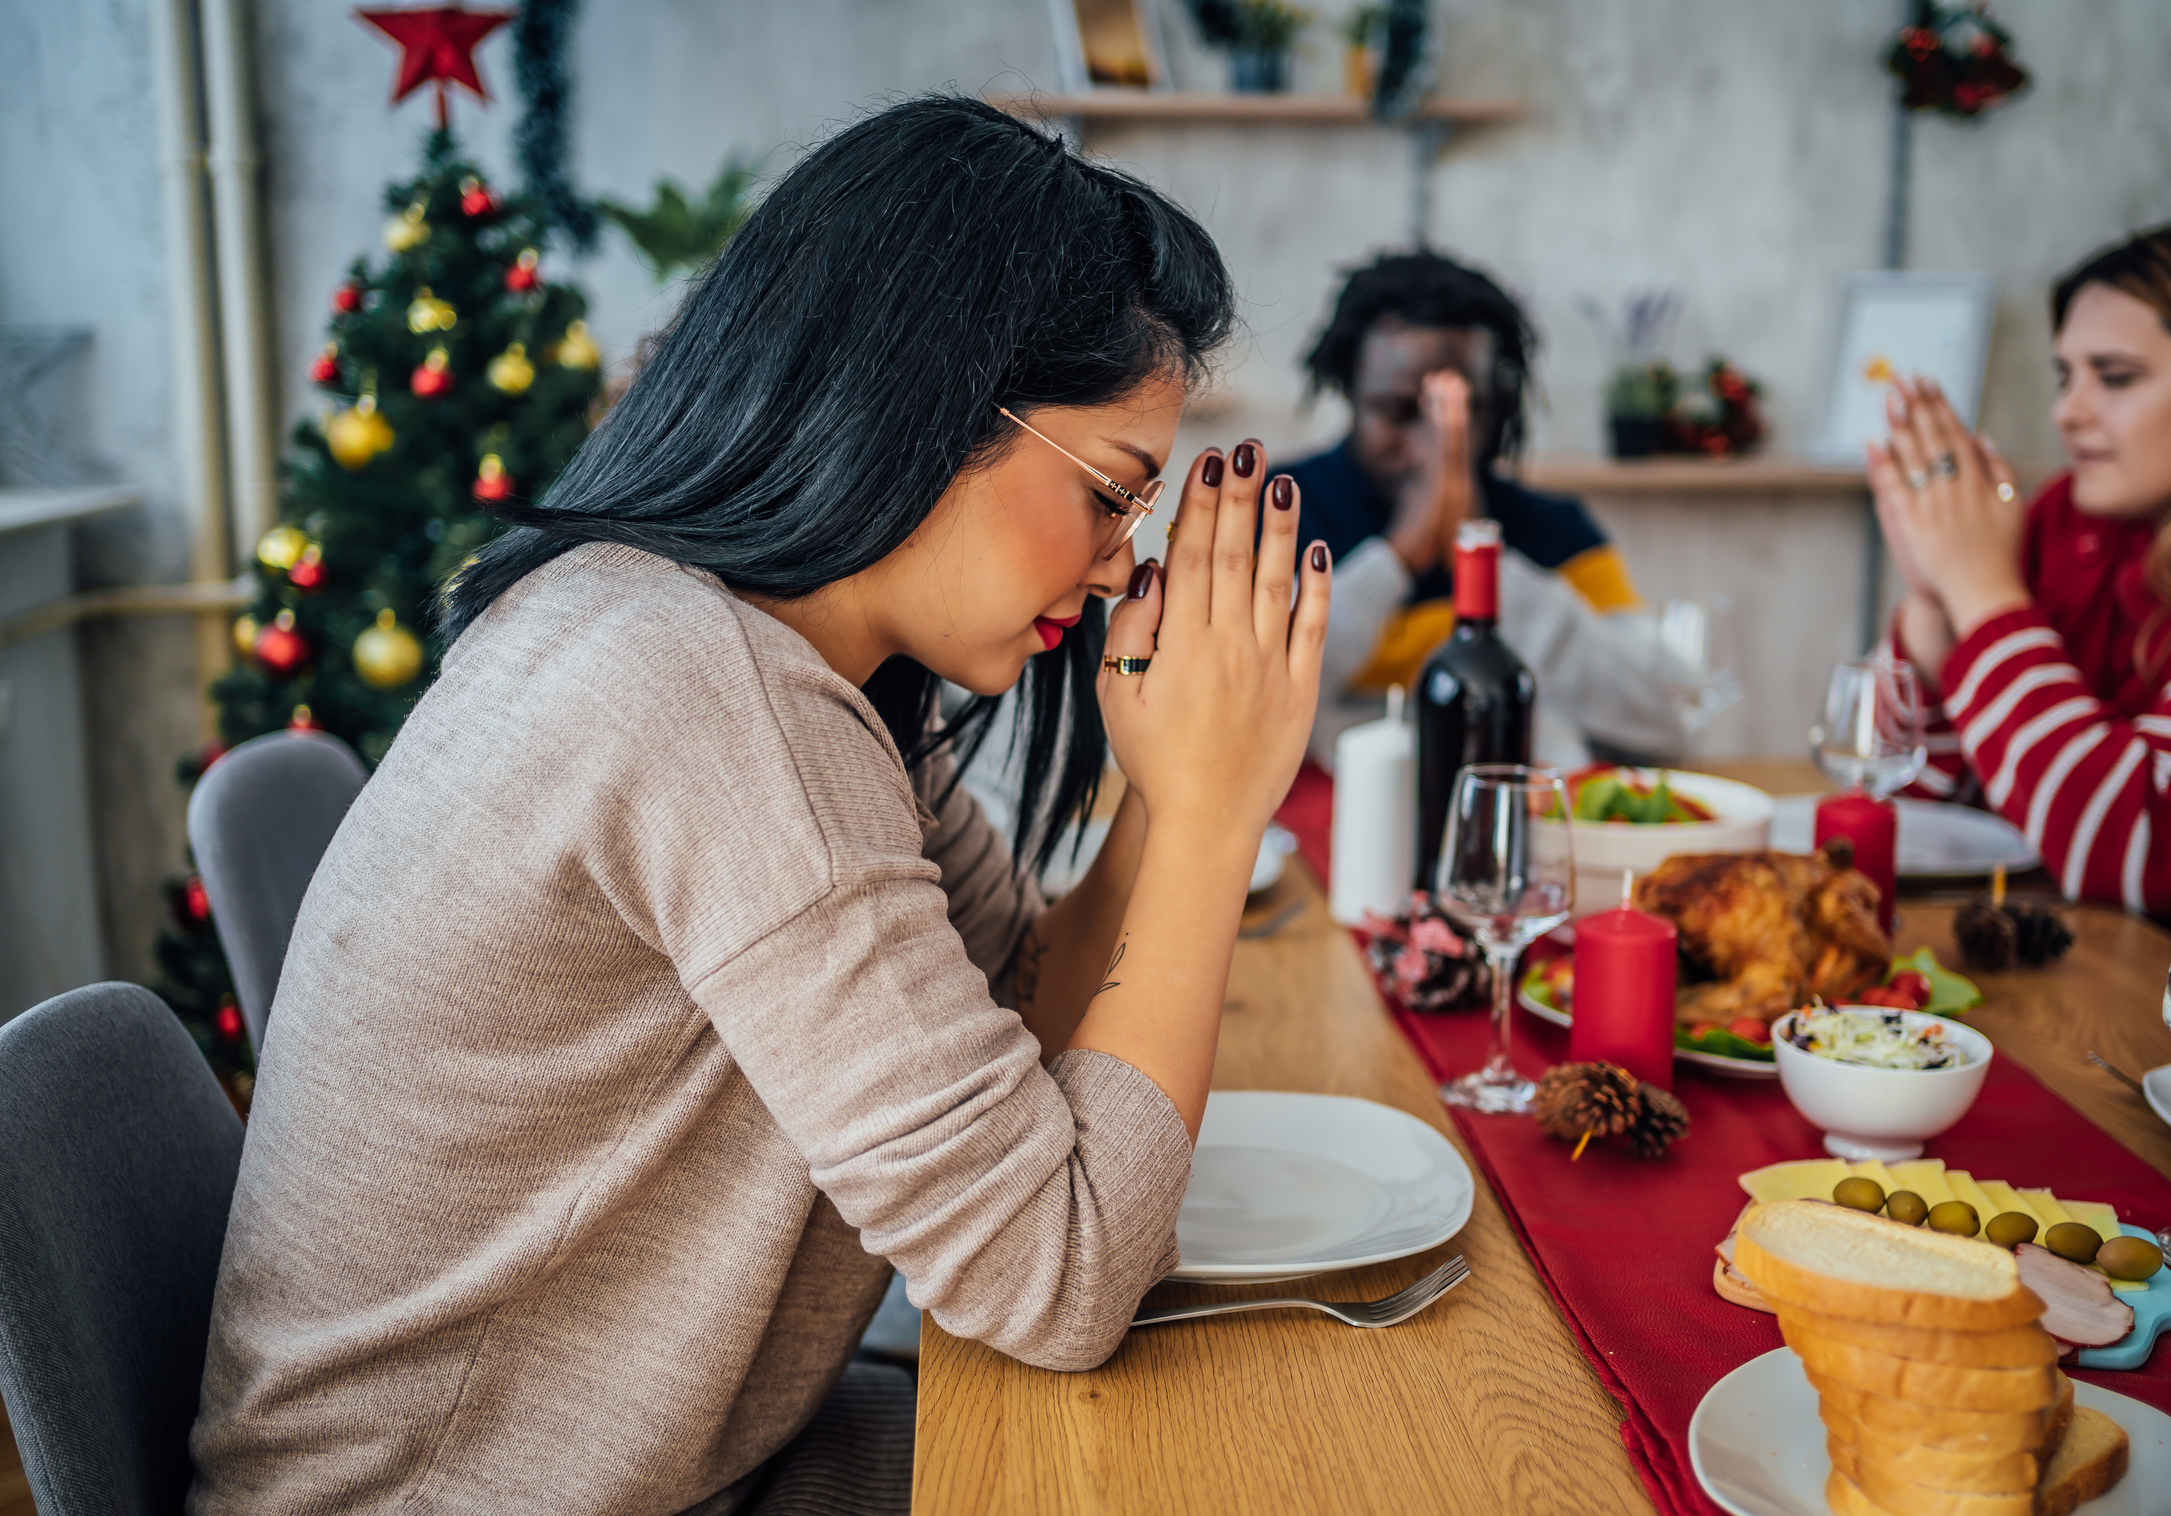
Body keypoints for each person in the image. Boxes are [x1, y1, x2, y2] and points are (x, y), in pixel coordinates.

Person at [188, 97, 1329, 1515]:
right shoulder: (707, 696)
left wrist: (1167, 793)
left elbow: (1021, 1021)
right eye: (1110, 493)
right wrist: (1220, 823)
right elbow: (1059, 1271)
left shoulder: (761, 656)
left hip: (665, 1448)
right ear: (932, 398)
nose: (1116, 567)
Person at [1871, 220, 2171, 920]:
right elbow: (1916, 808)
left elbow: (2150, 852)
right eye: (2066, 375)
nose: (2065, 411)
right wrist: (1934, 602)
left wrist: (1981, 592)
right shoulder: (2061, 521)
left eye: (2116, 377)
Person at [1276, 251, 1690, 768]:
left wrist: (1480, 557)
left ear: (1497, 408)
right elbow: (1243, 698)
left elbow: (1667, 719)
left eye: (1461, 413)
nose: (1427, 446)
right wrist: (1399, 555)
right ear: (1351, 394)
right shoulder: (1278, 510)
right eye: (1398, 412)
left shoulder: (1554, 530)